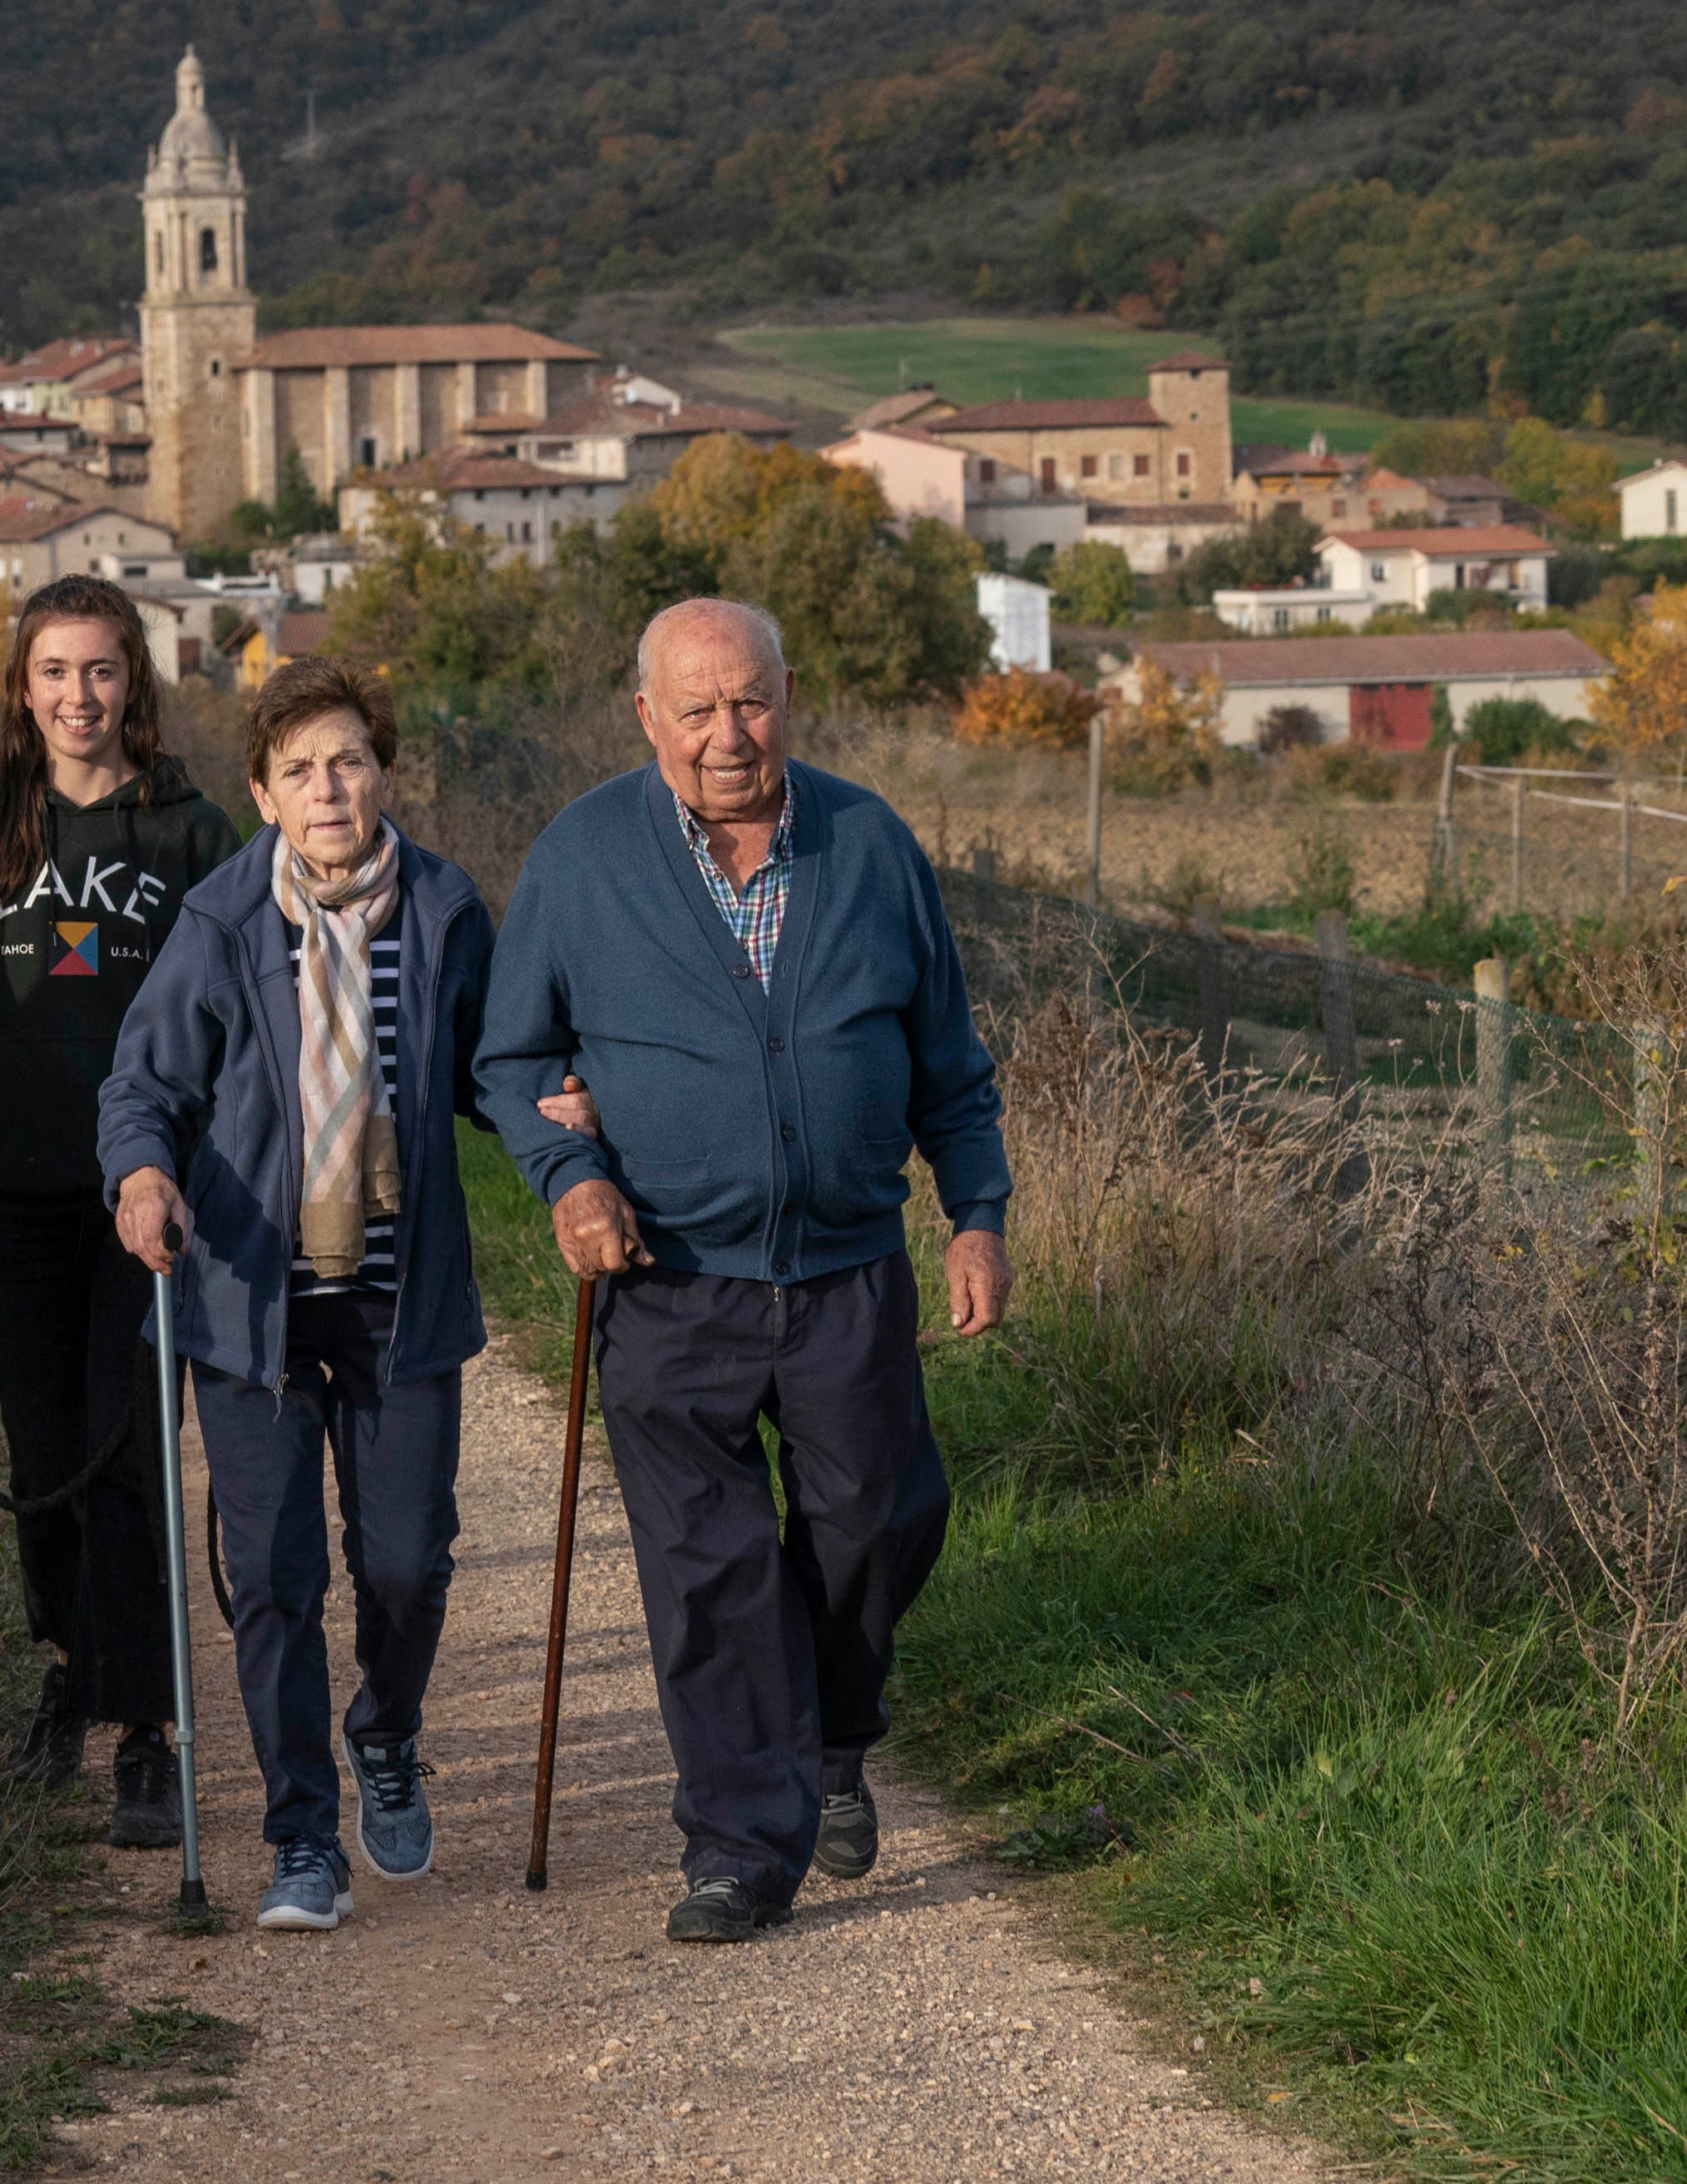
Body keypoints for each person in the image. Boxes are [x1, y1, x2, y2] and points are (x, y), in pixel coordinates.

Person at [478, 597, 1012, 1947]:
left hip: (846, 1272)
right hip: (670, 1278)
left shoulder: (870, 843)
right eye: (699, 709)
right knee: (709, 1572)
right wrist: (570, 1178)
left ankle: (831, 1741)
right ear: (648, 714)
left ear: (791, 696)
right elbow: (511, 1058)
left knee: (879, 1526)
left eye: (753, 702)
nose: (730, 736)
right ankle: (737, 1845)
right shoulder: (584, 856)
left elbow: (947, 1060)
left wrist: (976, 1212)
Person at [97, 652, 508, 1933]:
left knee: (405, 1562)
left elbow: (497, 1065)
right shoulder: (225, 922)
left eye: (346, 761)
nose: (327, 788)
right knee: (273, 1577)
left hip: (398, 1296)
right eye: (298, 770)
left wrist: (573, 1117)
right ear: (265, 797)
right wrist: (143, 1180)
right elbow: (141, 1089)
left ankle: (385, 1732)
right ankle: (299, 1838)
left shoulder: (443, 909)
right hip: (248, 1298)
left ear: (380, 770)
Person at [0, 576, 236, 1848]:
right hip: (18, 1191)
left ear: (133, 684)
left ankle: (148, 1727)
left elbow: (243, 1017)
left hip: (150, 1206)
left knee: (130, 1451)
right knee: (44, 1461)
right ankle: (66, 1678)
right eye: (55, 672)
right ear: (23, 688)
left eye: (100, 671)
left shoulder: (195, 834)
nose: (79, 696)